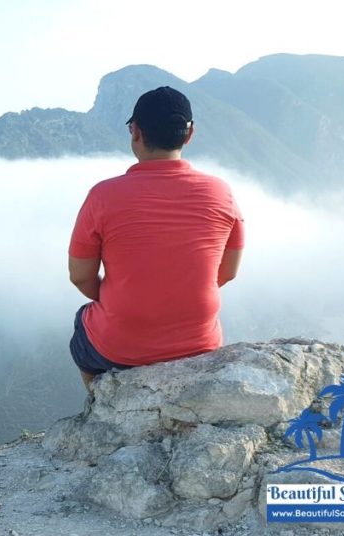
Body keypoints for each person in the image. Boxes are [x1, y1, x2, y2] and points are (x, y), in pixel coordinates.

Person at [67, 86, 244, 391]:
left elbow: (80, 276)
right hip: (200, 343)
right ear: (189, 135)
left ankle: (99, 406)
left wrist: (120, 300)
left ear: (135, 132)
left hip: (121, 347)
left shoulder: (103, 196)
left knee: (82, 332)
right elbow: (228, 272)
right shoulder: (221, 193)